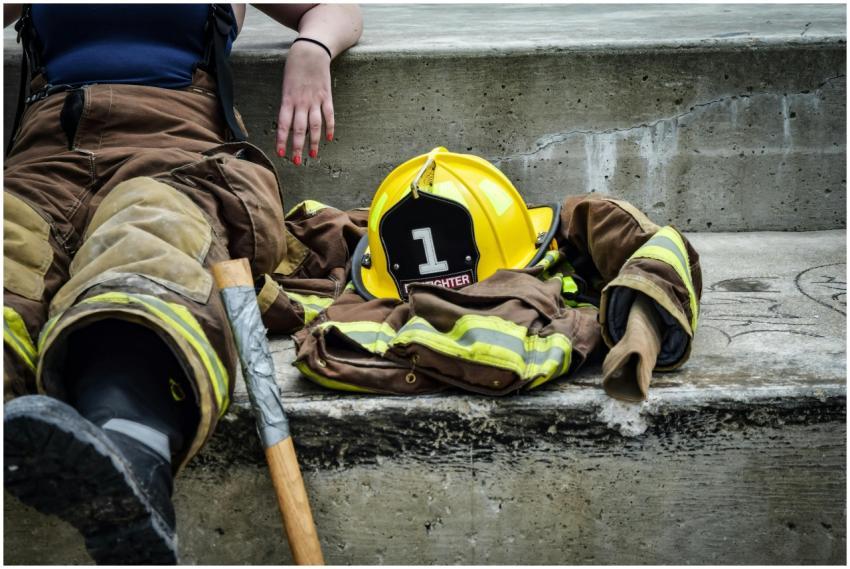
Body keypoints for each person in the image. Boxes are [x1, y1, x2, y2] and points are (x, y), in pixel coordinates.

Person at [2, 4, 362, 564]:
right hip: (44, 163)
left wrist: (312, 49)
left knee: (150, 246)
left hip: (178, 158)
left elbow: (333, 8)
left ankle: (130, 453)